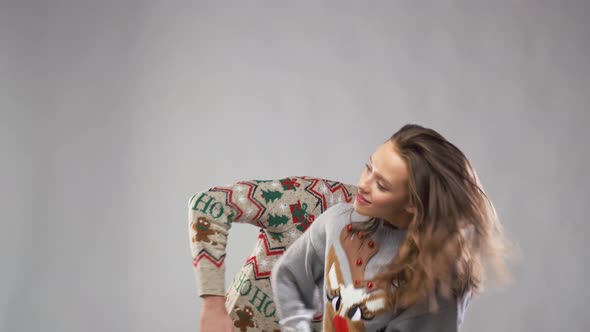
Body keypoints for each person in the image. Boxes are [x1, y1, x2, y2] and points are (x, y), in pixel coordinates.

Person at [271, 123, 510, 332]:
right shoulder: (336, 222)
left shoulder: (437, 279)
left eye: (382, 185)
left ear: (413, 204)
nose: (363, 184)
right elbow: (289, 276)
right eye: (369, 167)